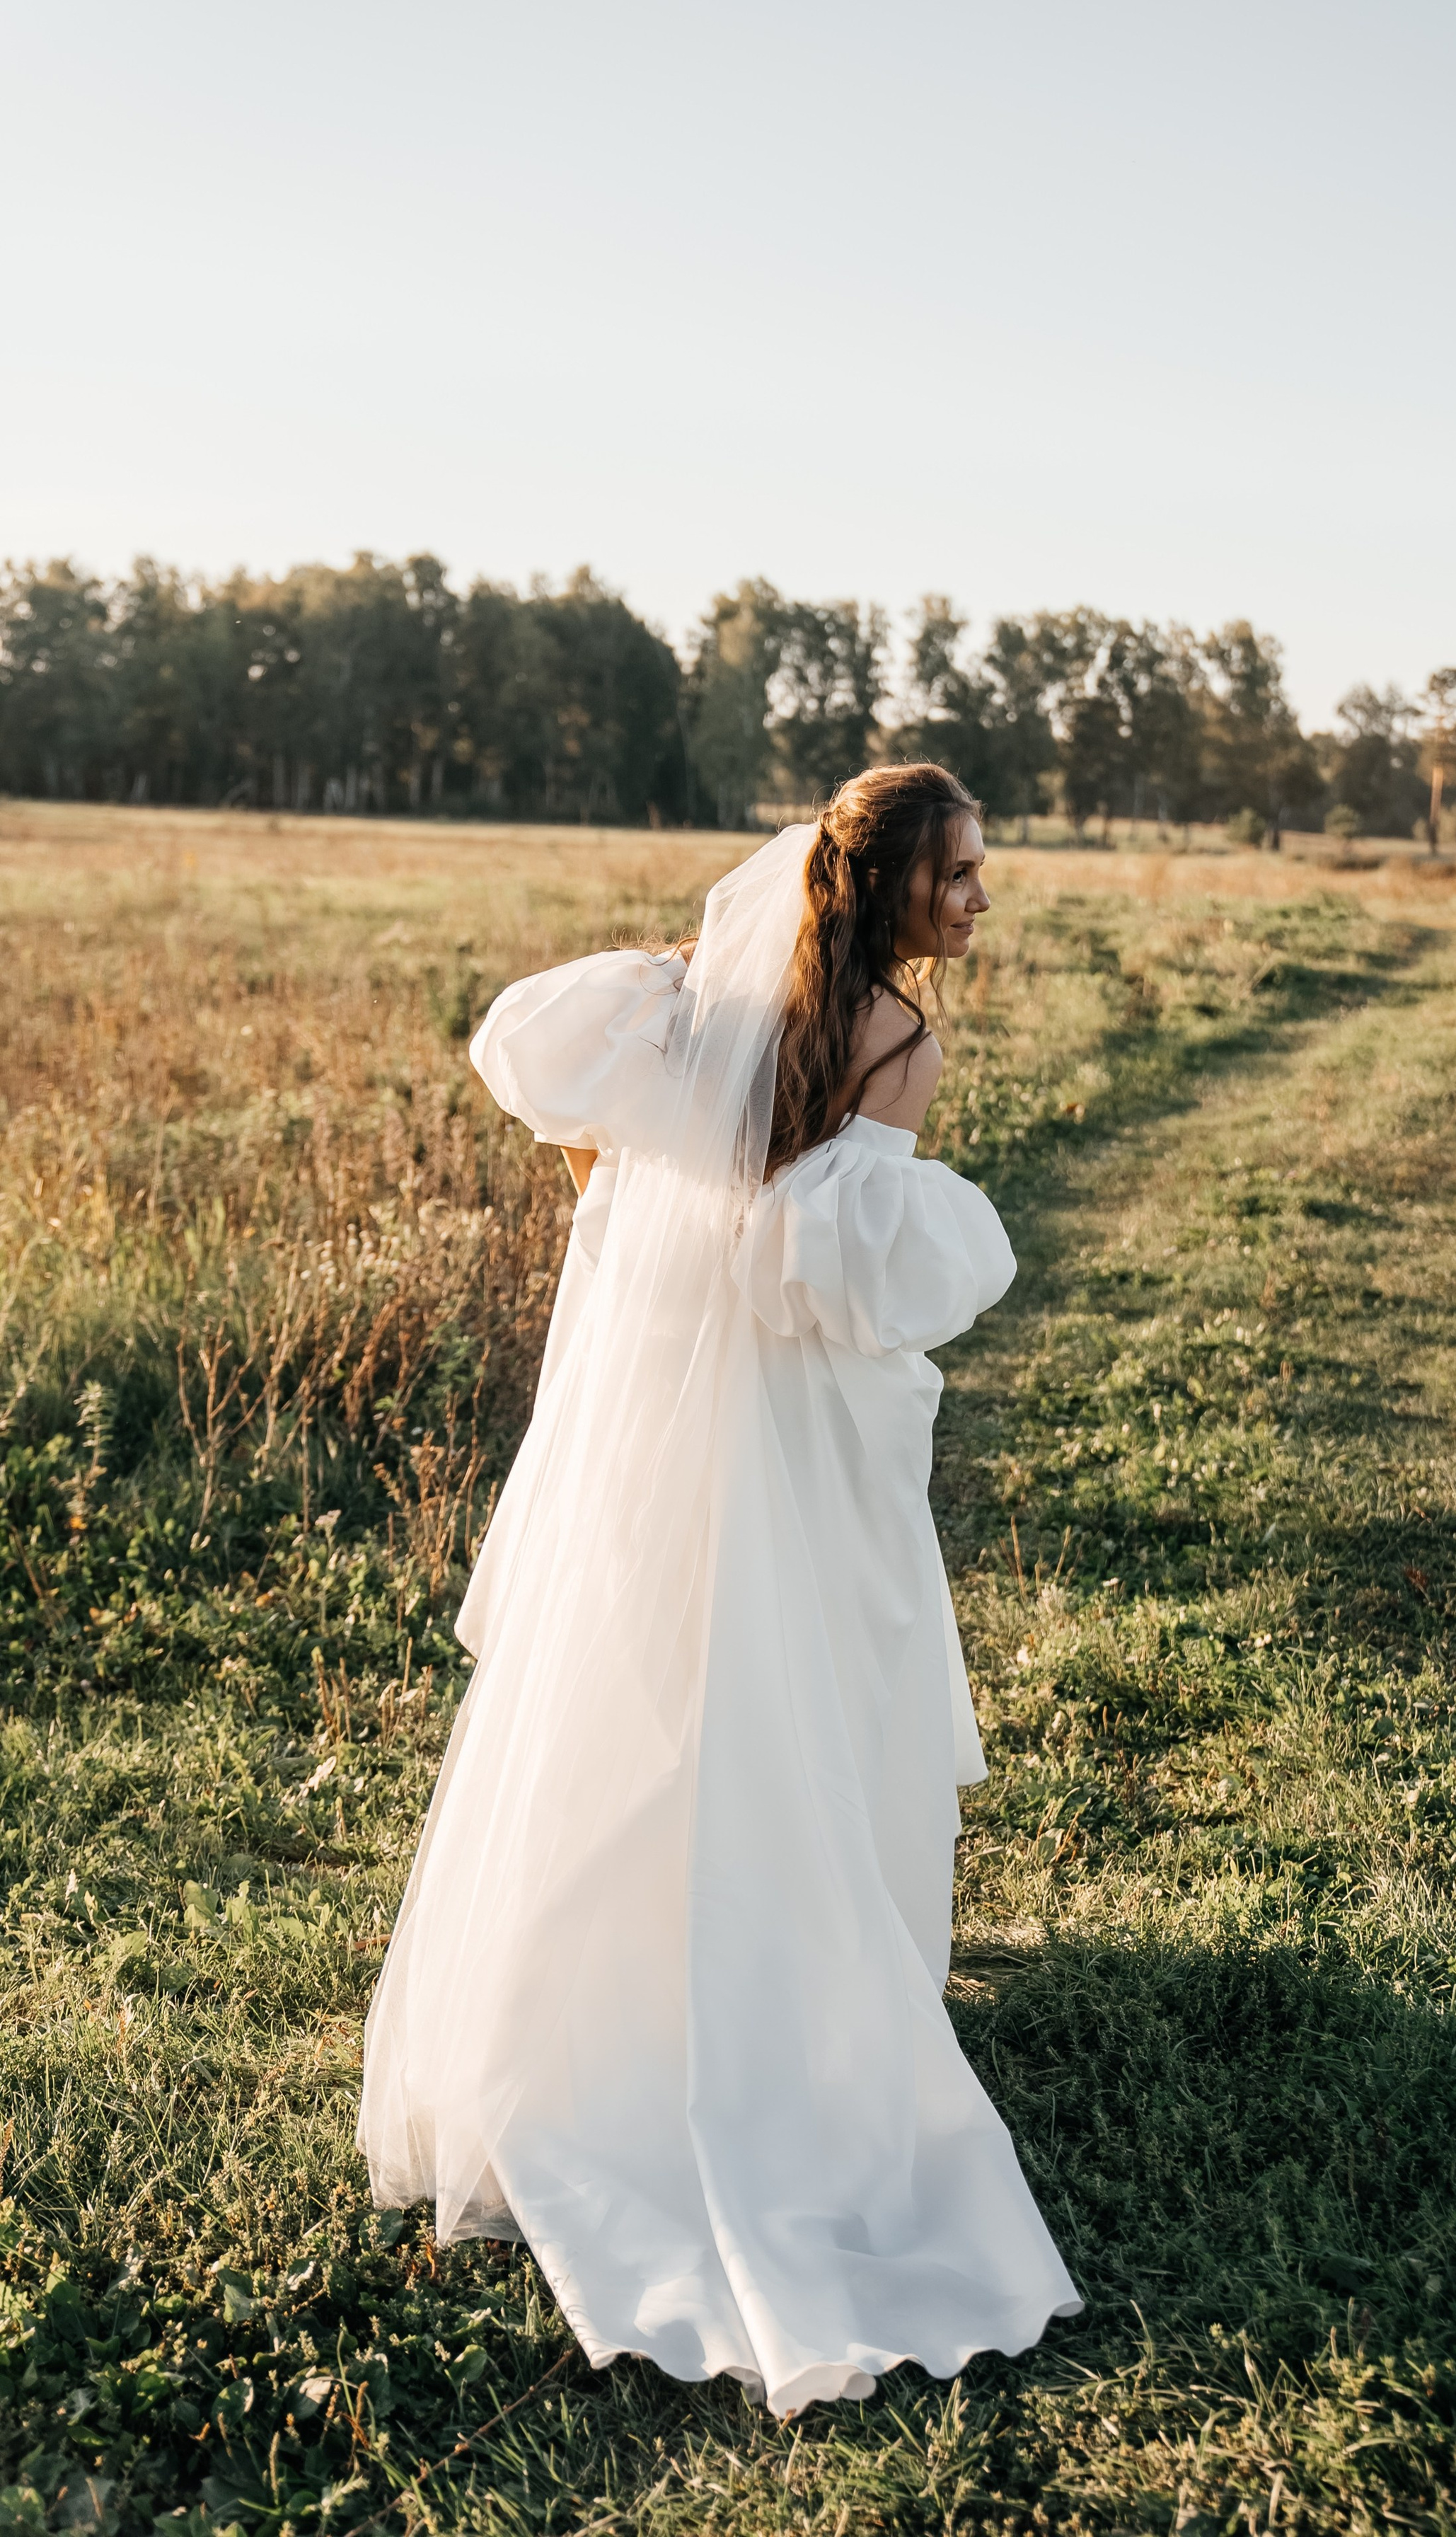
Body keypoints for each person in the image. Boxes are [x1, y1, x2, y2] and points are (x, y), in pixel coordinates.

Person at [359, 763, 1080, 2416]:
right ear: (887, 885)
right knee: (806, 1681)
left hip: (659, 1417)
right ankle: (788, 2012)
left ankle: (577, 2031)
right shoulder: (898, 1045)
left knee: (635, 1683)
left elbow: (535, 1052)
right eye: (956, 874)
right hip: (782, 1422)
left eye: (981, 871)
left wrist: (676, 998)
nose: (977, 899)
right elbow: (825, 1270)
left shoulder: (704, 1008)